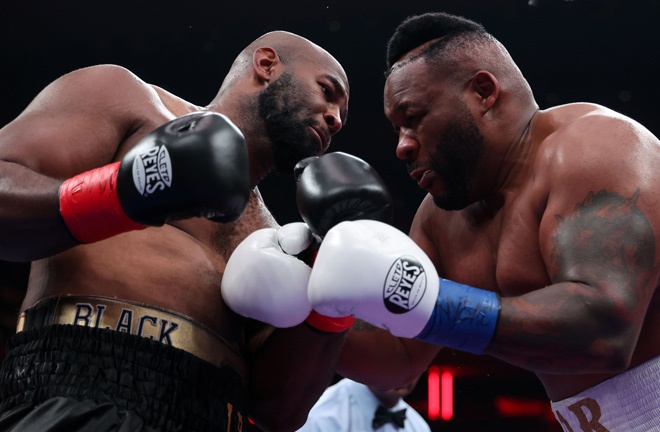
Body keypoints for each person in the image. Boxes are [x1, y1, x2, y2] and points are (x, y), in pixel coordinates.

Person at [222, 11, 660, 432]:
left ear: (484, 93)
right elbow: (398, 357)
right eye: (397, 129)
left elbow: (607, 329)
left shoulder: (595, 146)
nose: (402, 147)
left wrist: (431, 303)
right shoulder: (442, 218)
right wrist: (314, 305)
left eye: (413, 119)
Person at [0, 30, 351, 432]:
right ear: (267, 64)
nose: (335, 119)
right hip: (80, 391)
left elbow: (279, 412)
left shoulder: (275, 242)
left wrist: (332, 290)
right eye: (327, 91)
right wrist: (127, 189)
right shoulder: (127, 99)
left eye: (341, 114)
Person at [296, 376, 430, 432]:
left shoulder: (419, 427)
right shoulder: (318, 416)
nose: (403, 373)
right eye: (395, 360)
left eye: (413, 363)